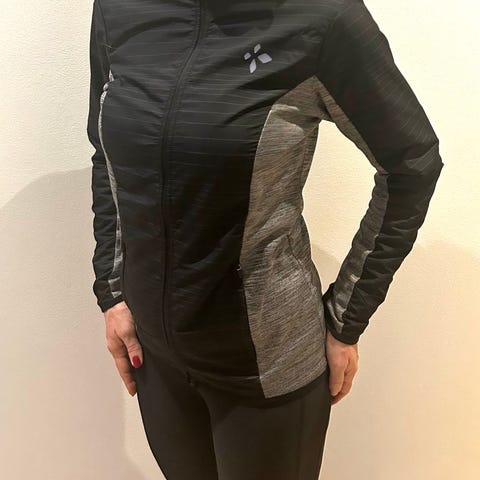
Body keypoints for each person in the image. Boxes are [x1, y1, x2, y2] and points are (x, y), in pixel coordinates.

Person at [86, 0, 443, 478]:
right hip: (156, 359)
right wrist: (112, 292)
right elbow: (105, 153)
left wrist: (347, 315)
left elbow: (412, 165)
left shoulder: (321, 18)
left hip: (266, 366)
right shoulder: (118, 9)